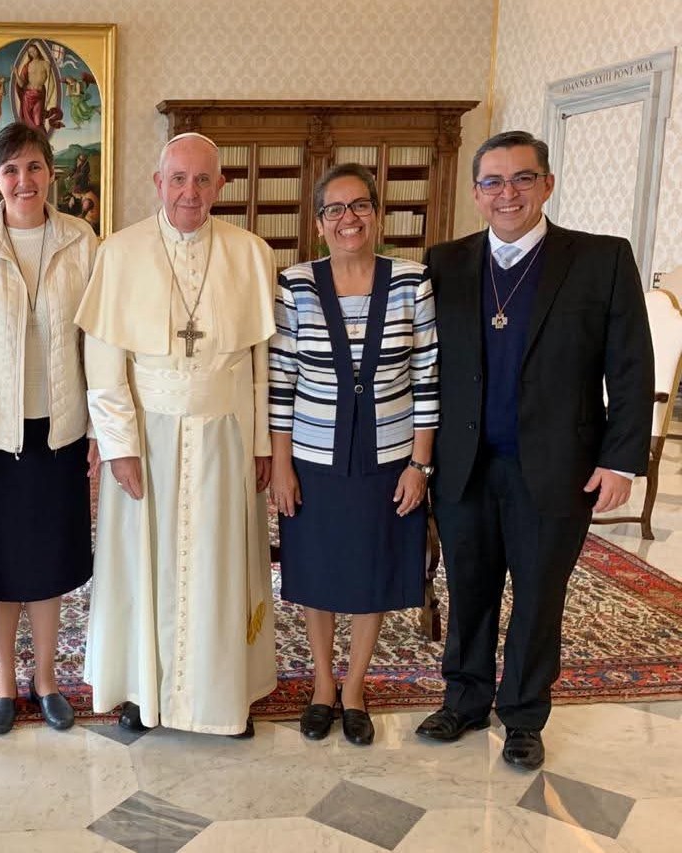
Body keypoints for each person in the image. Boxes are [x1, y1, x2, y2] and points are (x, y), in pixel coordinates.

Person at [416, 130, 652, 769]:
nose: (508, 193)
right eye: (493, 182)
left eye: (522, 178)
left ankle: (522, 714)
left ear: (547, 184)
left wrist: (620, 458)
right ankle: (464, 700)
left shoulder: (599, 259)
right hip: (465, 464)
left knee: (539, 594)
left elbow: (630, 367)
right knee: (469, 588)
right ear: (476, 194)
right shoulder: (446, 263)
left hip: (557, 466)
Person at [75, 132, 278, 737]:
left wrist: (262, 444)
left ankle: (222, 699)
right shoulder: (120, 252)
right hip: (147, 437)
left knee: (221, 566)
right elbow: (103, 363)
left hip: (227, 437)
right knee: (145, 564)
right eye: (179, 179)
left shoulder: (251, 252)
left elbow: (260, 365)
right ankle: (143, 691)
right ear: (157, 183)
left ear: (221, 185)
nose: (190, 192)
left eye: (203, 180)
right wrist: (119, 447)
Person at [0, 123, 99, 735]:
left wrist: (103, 433)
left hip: (60, 430)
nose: (23, 181)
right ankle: (5, 678)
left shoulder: (80, 239)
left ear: (49, 172)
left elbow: (98, 341)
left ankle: (47, 677)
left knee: (51, 558)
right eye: (10, 171)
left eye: (33, 167)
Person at [269, 164, 439, 746]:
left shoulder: (413, 281)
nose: (349, 219)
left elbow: (428, 379)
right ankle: (322, 684)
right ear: (319, 223)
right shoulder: (295, 284)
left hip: (389, 462)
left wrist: (420, 465)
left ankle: (356, 688)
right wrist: (282, 464)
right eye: (335, 210)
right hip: (313, 460)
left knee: (373, 572)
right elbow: (280, 382)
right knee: (316, 572)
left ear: (377, 214)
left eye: (359, 206)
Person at [14, 42, 63, 134]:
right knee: (28, 124)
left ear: (38, 50)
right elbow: (20, 85)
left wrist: (48, 100)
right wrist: (16, 73)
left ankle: (41, 143)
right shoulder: (27, 66)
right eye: (30, 52)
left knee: (38, 122)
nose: (32, 53)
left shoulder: (46, 64)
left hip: (39, 95)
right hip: (27, 96)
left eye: (34, 50)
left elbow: (52, 83)